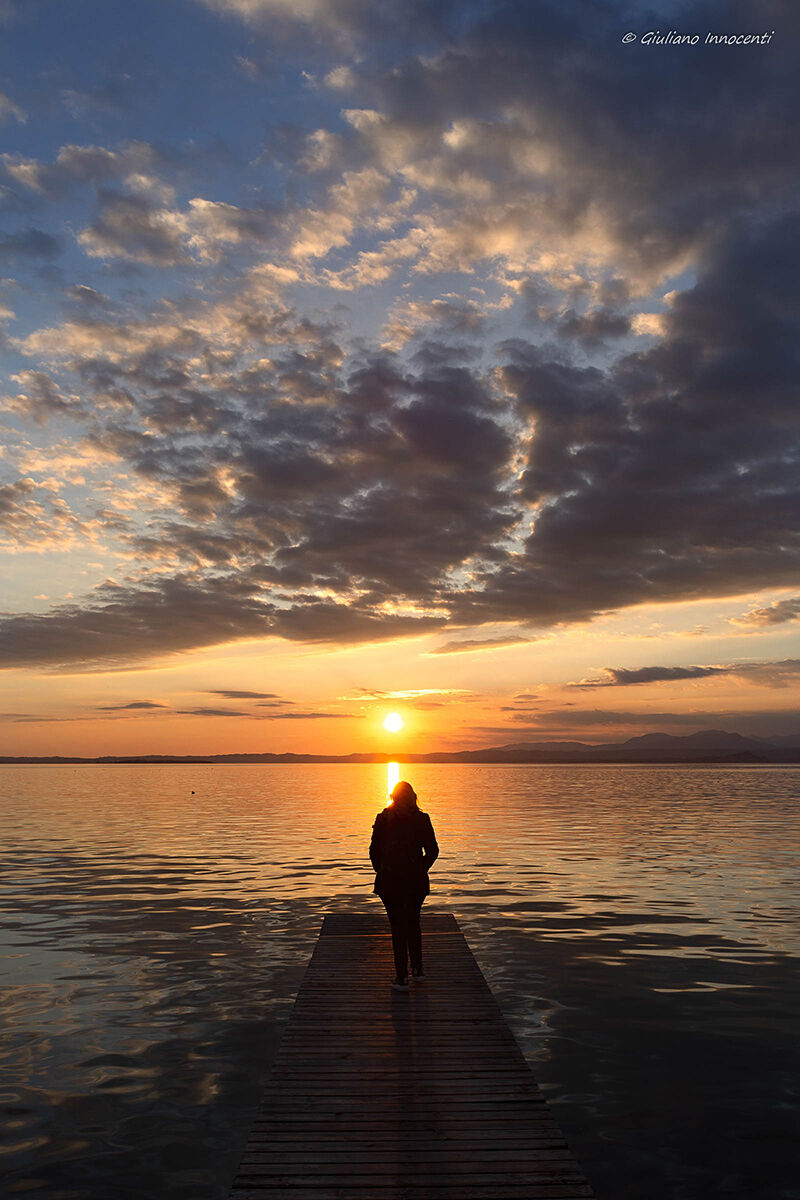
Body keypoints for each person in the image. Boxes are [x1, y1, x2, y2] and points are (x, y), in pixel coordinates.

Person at [369, 780, 439, 991]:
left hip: (389, 881)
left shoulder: (383, 818)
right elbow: (433, 851)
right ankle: (417, 971)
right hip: (415, 881)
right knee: (413, 923)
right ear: (413, 797)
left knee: (397, 926)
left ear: (393, 796)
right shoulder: (422, 819)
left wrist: (381, 870)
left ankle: (402, 978)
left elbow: (374, 850)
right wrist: (420, 869)